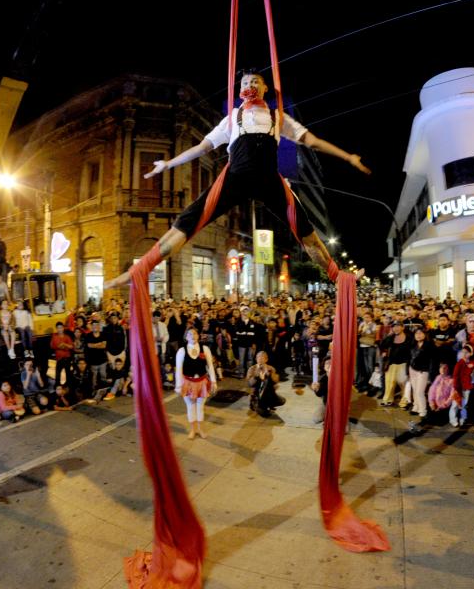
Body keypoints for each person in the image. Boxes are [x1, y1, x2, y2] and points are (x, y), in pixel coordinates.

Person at [103, 70, 371, 292]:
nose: (250, 85)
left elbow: (312, 141)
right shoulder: (232, 119)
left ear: (265, 87)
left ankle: (339, 278)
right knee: (185, 222)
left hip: (269, 179)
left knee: (307, 233)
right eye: (245, 82)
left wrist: (347, 157)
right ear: (239, 89)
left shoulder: (278, 118)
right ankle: (138, 271)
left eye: (255, 81)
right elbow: (202, 148)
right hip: (235, 177)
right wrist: (168, 163)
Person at [175, 328, 218, 439]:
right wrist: (178, 385)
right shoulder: (181, 350)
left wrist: (213, 381)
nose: (192, 335)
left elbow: (210, 366)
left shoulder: (205, 348)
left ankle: (201, 429)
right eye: (189, 334)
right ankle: (193, 430)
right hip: (188, 382)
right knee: (190, 406)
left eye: (194, 333)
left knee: (200, 406)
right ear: (186, 337)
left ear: (198, 335)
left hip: (202, 382)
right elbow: (178, 369)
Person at [247, 350, 283, 418]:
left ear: (266, 359)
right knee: (264, 413)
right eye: (258, 358)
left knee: (282, 401)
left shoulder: (270, 368)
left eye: (262, 358)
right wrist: (257, 377)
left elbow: (276, 381)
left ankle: (269, 403)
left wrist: (269, 374)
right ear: (256, 359)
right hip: (257, 395)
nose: (260, 359)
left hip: (268, 394)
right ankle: (256, 404)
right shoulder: (252, 369)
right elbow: (250, 384)